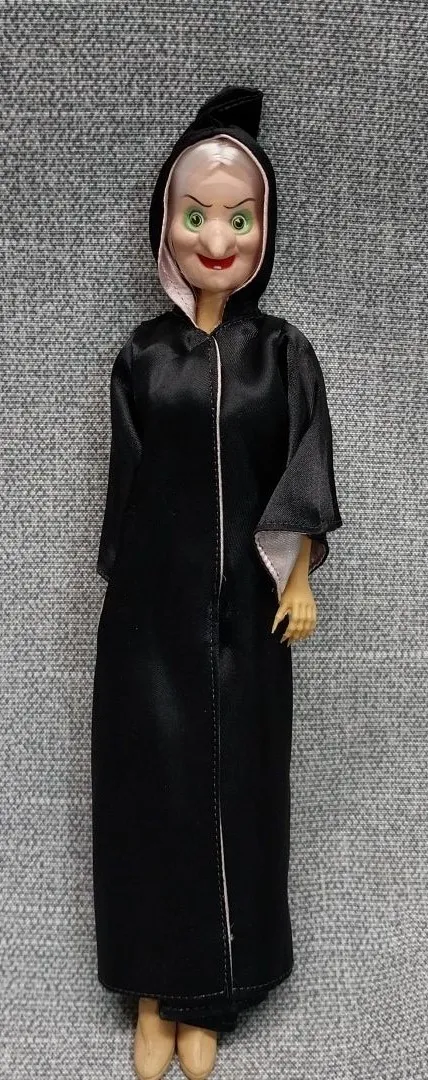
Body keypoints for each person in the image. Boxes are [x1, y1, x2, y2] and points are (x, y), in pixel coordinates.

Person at [91, 85, 343, 1080]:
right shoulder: (142, 358)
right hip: (149, 619)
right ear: (166, 226)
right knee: (149, 793)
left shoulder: (281, 356)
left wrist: (300, 577)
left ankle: (210, 995)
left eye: (238, 219)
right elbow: (124, 490)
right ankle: (154, 993)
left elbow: (302, 475)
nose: (217, 239)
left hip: (249, 614)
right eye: (196, 216)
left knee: (237, 793)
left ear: (263, 231)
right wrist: (124, 586)